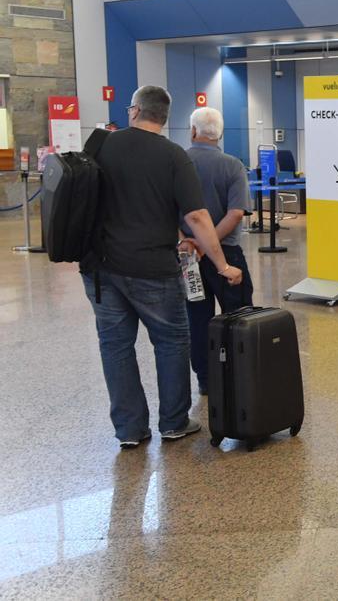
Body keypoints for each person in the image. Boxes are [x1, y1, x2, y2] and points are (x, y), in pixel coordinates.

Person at [82, 86, 243, 449]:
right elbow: (197, 216)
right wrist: (221, 264)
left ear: (135, 110)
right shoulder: (172, 156)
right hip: (153, 266)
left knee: (115, 346)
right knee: (171, 341)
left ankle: (129, 430)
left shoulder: (101, 145)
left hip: (101, 268)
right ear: (165, 118)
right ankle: (173, 422)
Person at [179, 107, 254, 396]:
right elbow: (236, 213)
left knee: (197, 318)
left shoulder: (179, 162)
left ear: (193, 131)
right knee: (238, 315)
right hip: (228, 255)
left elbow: (166, 211)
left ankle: (206, 380)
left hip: (189, 258)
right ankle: (239, 373)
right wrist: (208, 242)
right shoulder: (232, 165)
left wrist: (194, 242)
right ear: (220, 133)